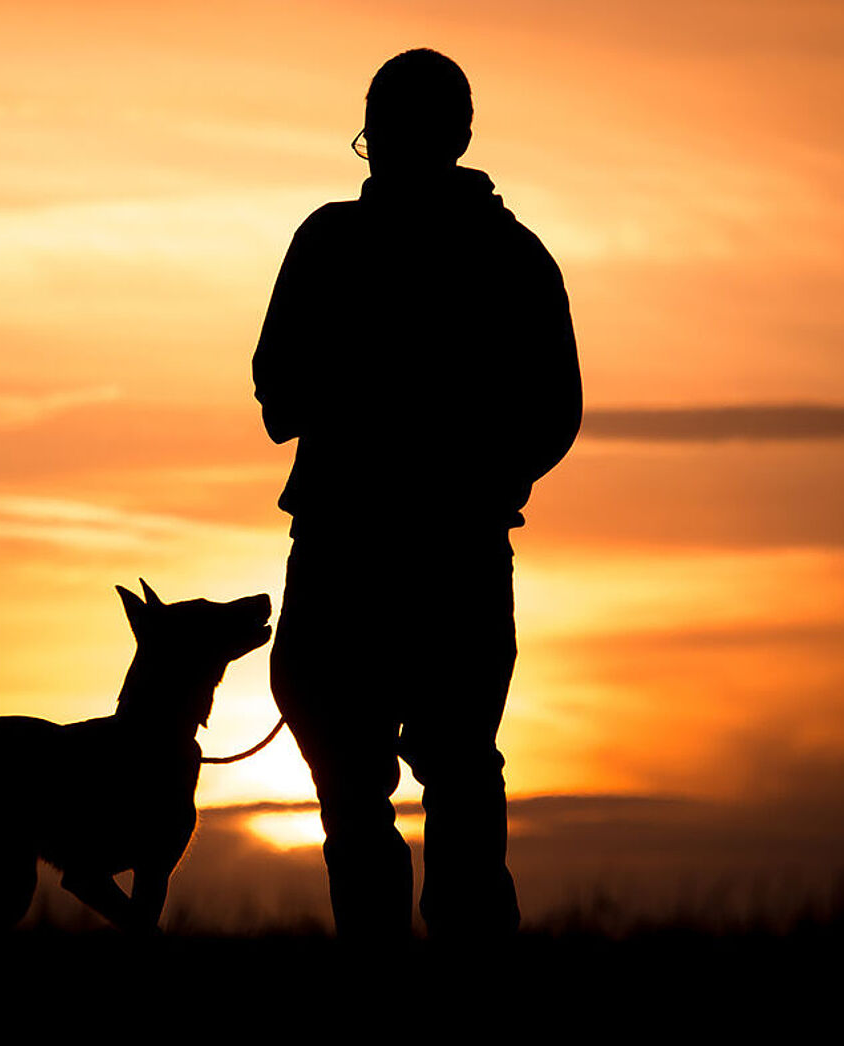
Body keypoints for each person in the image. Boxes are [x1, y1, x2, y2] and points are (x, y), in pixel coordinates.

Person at [253, 49, 582, 940]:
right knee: (453, 779)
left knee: (386, 792)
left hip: (363, 557)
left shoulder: (331, 243)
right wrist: (481, 481)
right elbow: (556, 414)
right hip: (448, 557)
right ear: (462, 134)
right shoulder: (512, 258)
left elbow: (276, 396)